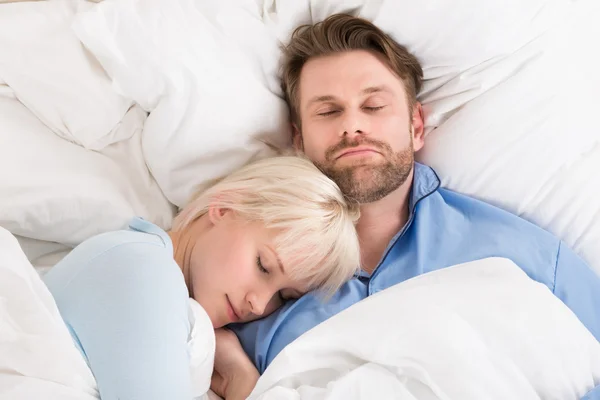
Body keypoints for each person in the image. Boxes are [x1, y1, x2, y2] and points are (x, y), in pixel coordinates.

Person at [229, 12, 600, 386]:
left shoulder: (521, 257)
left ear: (416, 126)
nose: (352, 125)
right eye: (328, 111)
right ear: (298, 140)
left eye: (373, 106)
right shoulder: (257, 295)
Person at [43, 155, 361, 400]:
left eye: (284, 297)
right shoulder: (143, 269)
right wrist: (242, 380)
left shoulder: (152, 275)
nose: (260, 304)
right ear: (223, 208)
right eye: (263, 265)